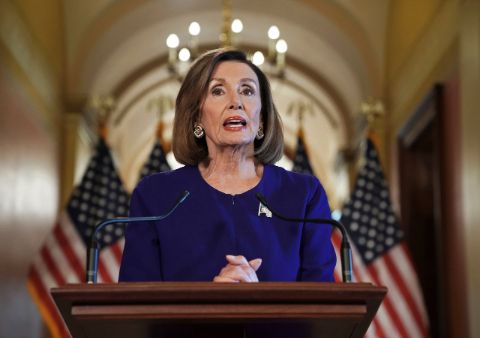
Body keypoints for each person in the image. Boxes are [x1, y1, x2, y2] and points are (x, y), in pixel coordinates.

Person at [119, 48, 336, 283]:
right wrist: (211, 303)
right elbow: (135, 306)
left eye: (247, 90)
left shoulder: (304, 195)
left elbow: (323, 307)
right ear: (196, 117)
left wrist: (259, 302)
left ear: (262, 118)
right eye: (218, 91)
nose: (236, 102)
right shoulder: (156, 196)